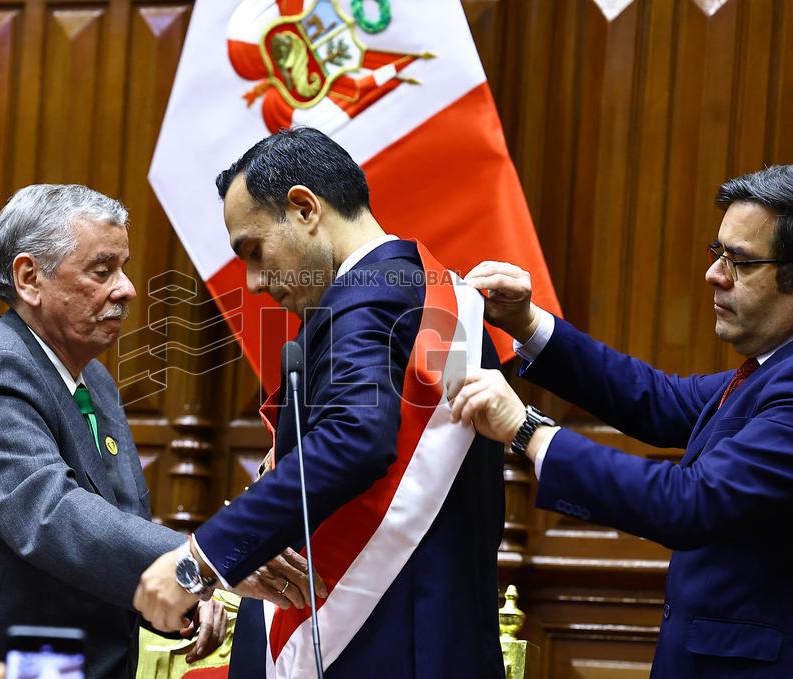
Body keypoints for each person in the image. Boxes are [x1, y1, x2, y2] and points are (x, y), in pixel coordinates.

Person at [0, 184, 304, 679]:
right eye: (102, 271)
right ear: (29, 278)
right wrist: (198, 563)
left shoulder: (94, 379)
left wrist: (182, 593)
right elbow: (54, 517)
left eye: (123, 267)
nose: (126, 288)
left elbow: (113, 526)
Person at [133, 127, 507, 678]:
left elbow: (355, 438)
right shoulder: (433, 292)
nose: (255, 282)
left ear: (305, 207)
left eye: (254, 251)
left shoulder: (361, 305)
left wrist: (199, 560)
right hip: (444, 635)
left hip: (379, 646)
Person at [450, 164, 793, 678]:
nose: (714, 274)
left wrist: (528, 429)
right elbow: (655, 399)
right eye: (716, 252)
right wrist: (527, 321)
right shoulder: (765, 372)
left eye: (739, 262)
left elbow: (690, 501)